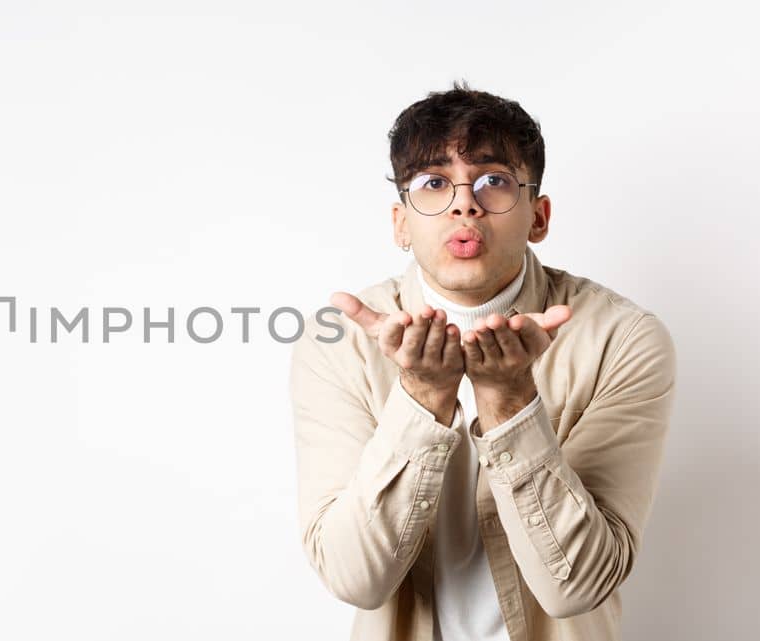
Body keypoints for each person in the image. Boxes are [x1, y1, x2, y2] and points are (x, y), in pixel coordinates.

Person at [290, 81, 677, 641]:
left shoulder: (622, 338)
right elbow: (355, 578)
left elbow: (579, 586)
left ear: (538, 217)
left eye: (494, 180)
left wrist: (510, 401)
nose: (464, 203)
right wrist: (422, 398)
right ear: (401, 222)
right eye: (434, 183)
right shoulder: (339, 343)